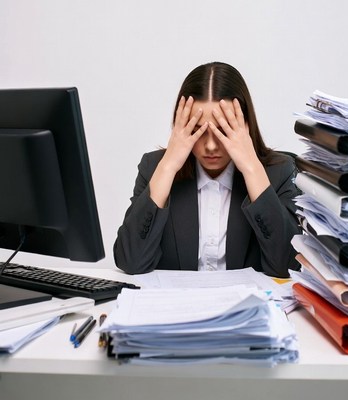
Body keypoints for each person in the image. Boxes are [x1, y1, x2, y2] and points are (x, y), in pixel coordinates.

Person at [114, 61, 301, 277]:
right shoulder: (155, 168)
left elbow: (287, 266)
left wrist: (251, 168)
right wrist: (168, 166)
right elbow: (130, 262)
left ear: (245, 125)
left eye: (223, 130)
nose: (211, 146)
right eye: (197, 130)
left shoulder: (279, 172)